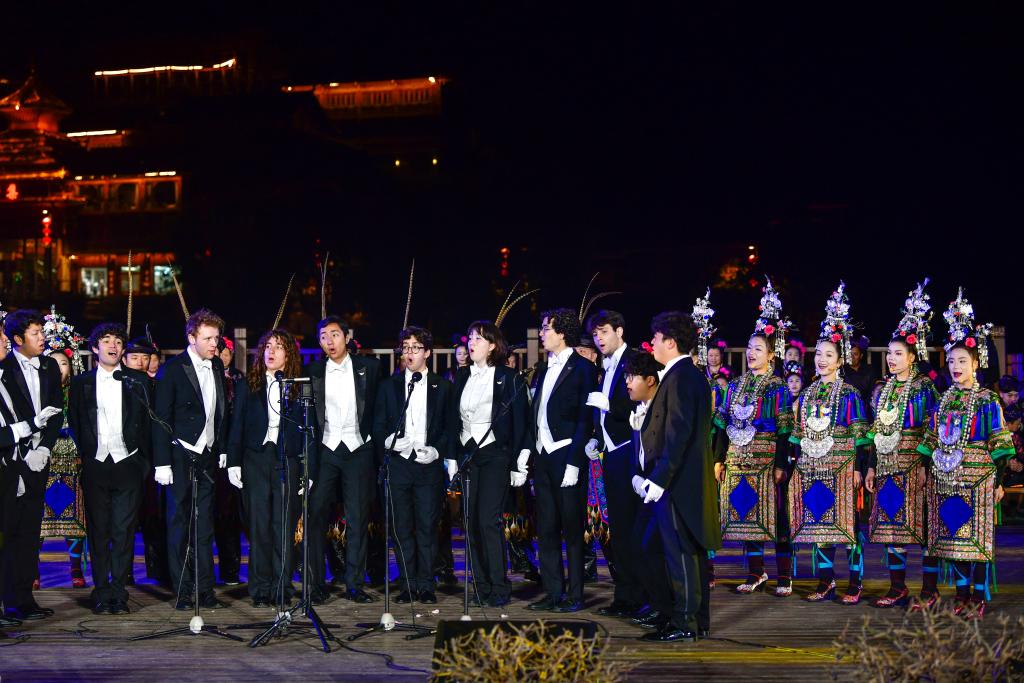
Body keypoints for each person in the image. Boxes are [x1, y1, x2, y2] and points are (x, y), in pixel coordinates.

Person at [918, 289, 1014, 617]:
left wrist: (999, 482)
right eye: (952, 361)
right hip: (946, 479)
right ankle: (961, 595)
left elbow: (1001, 446)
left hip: (980, 480)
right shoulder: (944, 399)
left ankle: (979, 596)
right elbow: (930, 440)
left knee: (979, 540)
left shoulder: (987, 400)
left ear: (976, 363)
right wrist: (925, 469)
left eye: (963, 361)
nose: (956, 366)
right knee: (954, 536)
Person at [634, 310, 721, 642]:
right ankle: (697, 620)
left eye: (656, 338)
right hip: (681, 479)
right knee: (688, 551)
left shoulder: (681, 376)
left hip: (678, 481)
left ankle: (686, 623)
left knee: (681, 552)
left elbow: (678, 433)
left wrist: (659, 478)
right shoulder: (685, 374)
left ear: (670, 342)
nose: (652, 343)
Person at [788, 283, 871, 604]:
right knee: (818, 526)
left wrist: (859, 469)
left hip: (843, 470)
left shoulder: (849, 393)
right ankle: (826, 581)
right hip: (813, 469)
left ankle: (855, 581)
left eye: (829, 355)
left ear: (839, 360)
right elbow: (798, 434)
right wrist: (798, 465)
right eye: (819, 354)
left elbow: (861, 435)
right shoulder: (808, 393)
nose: (821, 360)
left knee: (848, 528)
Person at [863, 281, 941, 608]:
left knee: (922, 528)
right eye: (889, 354)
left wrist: (925, 466)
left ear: (912, 357)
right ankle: (897, 587)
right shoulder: (884, 389)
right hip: (886, 467)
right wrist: (870, 466)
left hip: (914, 466)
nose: (891, 359)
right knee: (891, 528)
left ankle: (930, 590)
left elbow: (932, 430)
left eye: (898, 354)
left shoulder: (924, 388)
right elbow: (876, 430)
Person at [715, 280, 796, 596]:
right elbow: (722, 423)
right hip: (738, 460)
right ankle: (755, 572)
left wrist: (780, 464)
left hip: (767, 461)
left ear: (771, 355)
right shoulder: (735, 386)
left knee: (777, 518)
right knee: (745, 514)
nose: (751, 353)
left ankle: (784, 576)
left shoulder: (777, 387)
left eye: (758, 349)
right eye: (749, 348)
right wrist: (719, 459)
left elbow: (785, 428)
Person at [68, 322, 151, 615]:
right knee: (99, 531)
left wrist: (143, 463)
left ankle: (119, 592)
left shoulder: (137, 380)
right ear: (95, 347)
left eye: (117, 341)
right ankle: (102, 592)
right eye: (106, 340)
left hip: (129, 464)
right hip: (96, 464)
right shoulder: (81, 383)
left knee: (124, 531)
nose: (113, 345)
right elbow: (76, 421)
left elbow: (148, 424)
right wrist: (87, 454)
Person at [152, 308, 230, 610]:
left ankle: (206, 590)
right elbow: (161, 418)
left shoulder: (215, 366)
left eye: (216, 338)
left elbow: (220, 411)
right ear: (191, 338)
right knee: (179, 523)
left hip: (207, 455)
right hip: (180, 454)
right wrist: (162, 462)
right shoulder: (173, 369)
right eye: (208, 338)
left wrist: (221, 448)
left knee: (205, 524)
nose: (214, 343)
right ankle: (183, 591)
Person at [450, 321, 530, 607]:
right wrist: (452, 457)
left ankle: (499, 586)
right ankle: (481, 585)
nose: (472, 343)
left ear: (493, 345)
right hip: (468, 454)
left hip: (496, 453)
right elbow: (453, 419)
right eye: (470, 338)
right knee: (470, 521)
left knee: (488, 520)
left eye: (479, 339)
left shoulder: (508, 377)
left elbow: (521, 422)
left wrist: (520, 461)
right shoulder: (462, 375)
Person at [374, 326, 455, 604]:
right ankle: (407, 584)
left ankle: (426, 584)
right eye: (406, 347)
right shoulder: (389, 386)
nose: (409, 353)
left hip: (428, 465)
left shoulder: (443, 387)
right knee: (401, 527)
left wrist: (437, 451)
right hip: (399, 464)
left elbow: (449, 426)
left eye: (416, 348)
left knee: (427, 526)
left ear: (427, 353)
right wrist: (389, 441)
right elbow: (378, 424)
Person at [226, 329, 307, 607]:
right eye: (267, 346)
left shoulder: (299, 385)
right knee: (258, 525)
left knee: (283, 525)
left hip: (287, 458)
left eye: (278, 346)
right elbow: (236, 425)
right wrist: (234, 462)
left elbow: (310, 429)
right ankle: (260, 587)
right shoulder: (248, 385)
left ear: (289, 354)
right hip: (256, 457)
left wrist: (307, 470)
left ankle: (281, 585)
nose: (271, 352)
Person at [306, 316, 381, 605]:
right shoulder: (313, 370)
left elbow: (378, 407)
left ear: (347, 337)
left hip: (358, 448)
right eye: (324, 336)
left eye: (335, 334)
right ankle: (315, 583)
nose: (329, 341)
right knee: (315, 514)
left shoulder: (370, 367)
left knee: (358, 518)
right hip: (326, 450)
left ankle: (355, 584)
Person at [527, 308, 597, 613]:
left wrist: (574, 462)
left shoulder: (583, 368)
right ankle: (553, 591)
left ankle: (575, 594)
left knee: (572, 528)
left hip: (567, 454)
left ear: (563, 333)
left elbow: (585, 417)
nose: (542, 333)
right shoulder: (543, 369)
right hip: (543, 455)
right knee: (546, 527)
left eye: (546, 328)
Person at [0, 309, 65, 621]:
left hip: (39, 459)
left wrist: (44, 448)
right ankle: (8, 600)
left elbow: (56, 412)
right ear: (17, 339)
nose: (42, 338)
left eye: (42, 332)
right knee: (8, 531)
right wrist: (24, 446)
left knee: (30, 532)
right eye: (36, 333)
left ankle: (24, 599)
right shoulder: (5, 366)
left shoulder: (49, 366)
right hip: (11, 458)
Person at [583, 309, 644, 617]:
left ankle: (641, 598)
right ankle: (625, 597)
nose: (599, 338)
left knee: (632, 528)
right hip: (611, 452)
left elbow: (640, 402)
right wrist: (597, 436)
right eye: (595, 334)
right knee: (617, 529)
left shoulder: (633, 360)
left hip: (629, 451)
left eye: (604, 331)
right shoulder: (606, 365)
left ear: (619, 331)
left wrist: (609, 405)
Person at [40, 339, 88, 590]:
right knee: (38, 517)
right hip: (44, 461)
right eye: (53, 363)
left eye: (63, 363)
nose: (59, 369)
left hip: (73, 460)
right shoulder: (38, 391)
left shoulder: (78, 392)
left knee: (75, 517)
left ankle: (75, 566)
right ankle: (32, 567)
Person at [214, 336, 244, 586]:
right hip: (208, 451)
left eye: (228, 353)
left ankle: (231, 569)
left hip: (233, 453)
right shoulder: (206, 376)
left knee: (230, 514)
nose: (224, 356)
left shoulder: (239, 380)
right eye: (220, 351)